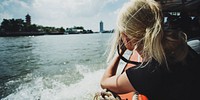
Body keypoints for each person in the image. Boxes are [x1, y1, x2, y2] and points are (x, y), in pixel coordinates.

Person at [100, 0, 200, 100]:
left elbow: (104, 82)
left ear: (125, 38)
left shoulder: (147, 73)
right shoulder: (183, 48)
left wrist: (120, 52)